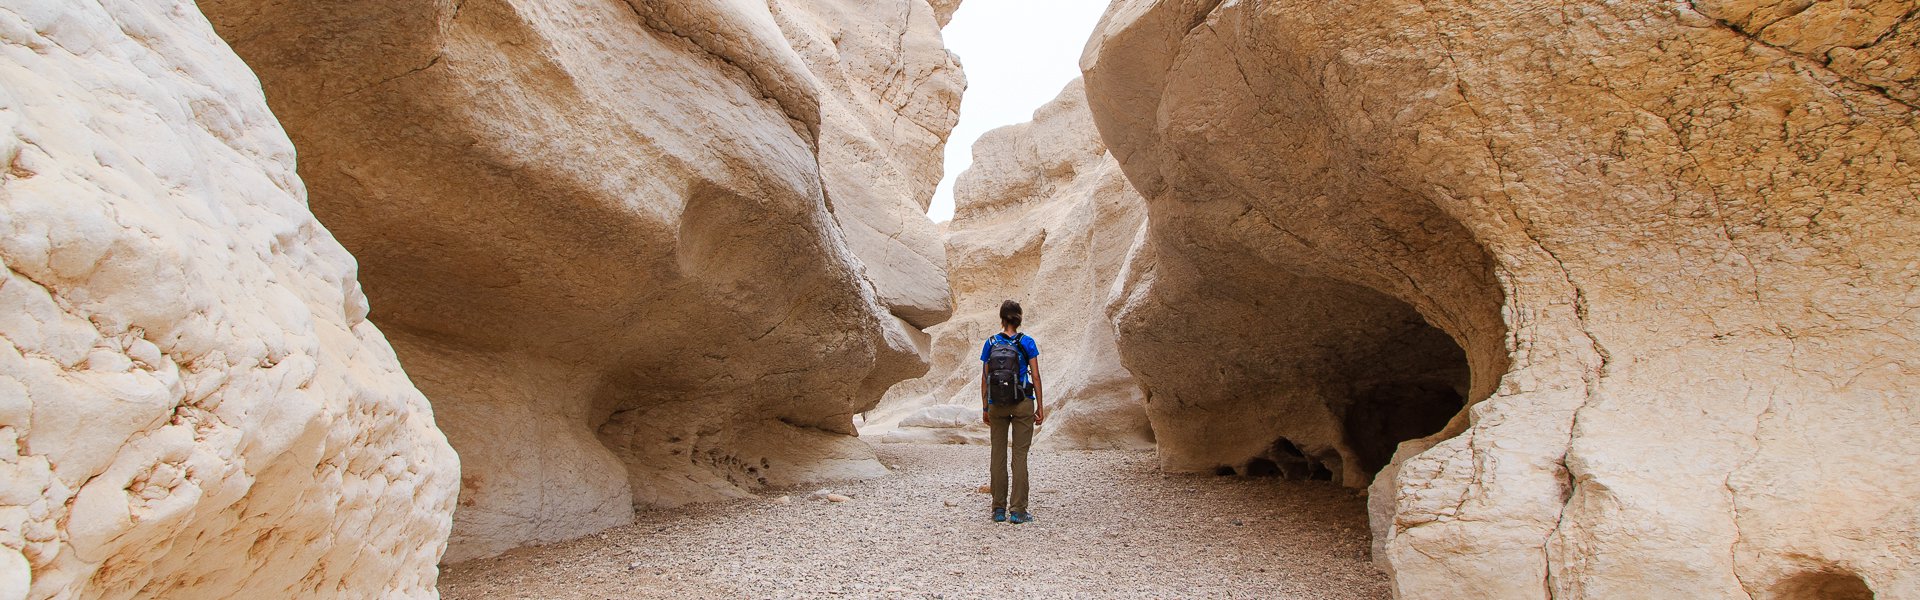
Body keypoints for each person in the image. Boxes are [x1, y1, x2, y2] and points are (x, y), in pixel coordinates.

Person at [980, 299, 1044, 524]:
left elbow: (985, 378)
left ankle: (998, 509)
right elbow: (1035, 376)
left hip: (997, 404)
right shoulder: (1027, 342)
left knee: (998, 454)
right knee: (1019, 456)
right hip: (1022, 402)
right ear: (1018, 318)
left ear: (1001, 318)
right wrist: (1040, 407)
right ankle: (1017, 511)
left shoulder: (990, 342)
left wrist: (986, 407)